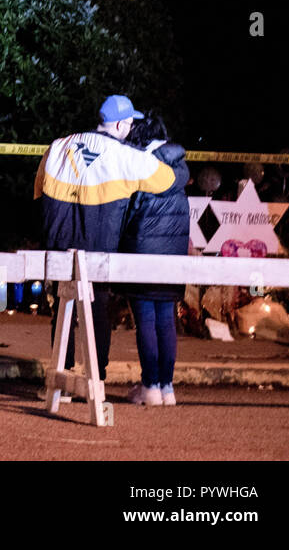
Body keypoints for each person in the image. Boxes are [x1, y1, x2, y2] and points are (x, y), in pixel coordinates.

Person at [34, 94, 181, 387]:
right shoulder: (124, 156)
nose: (130, 129)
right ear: (118, 125)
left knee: (63, 310)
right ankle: (95, 378)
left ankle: (58, 379)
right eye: (128, 124)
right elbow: (167, 180)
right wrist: (151, 151)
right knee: (97, 310)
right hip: (98, 245)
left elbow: (38, 191)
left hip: (60, 243)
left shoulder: (58, 146)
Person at [117, 113, 188, 406]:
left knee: (146, 318)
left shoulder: (141, 165)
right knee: (166, 320)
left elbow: (129, 212)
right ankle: (167, 387)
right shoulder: (179, 167)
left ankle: (150, 386)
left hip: (143, 251)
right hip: (173, 255)